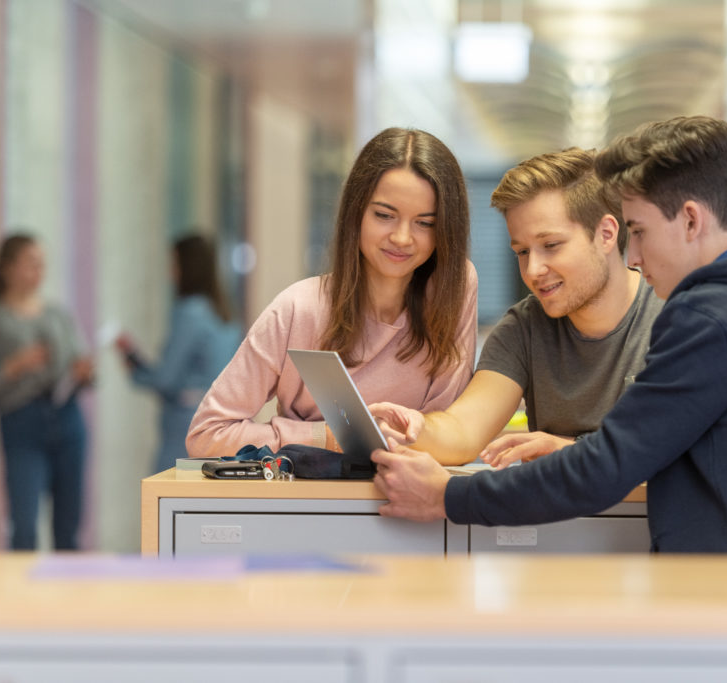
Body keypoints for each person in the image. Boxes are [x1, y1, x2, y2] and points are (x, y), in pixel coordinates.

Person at [371, 115, 727, 554]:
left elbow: (607, 467)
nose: (635, 255)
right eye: (522, 251)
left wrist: (449, 495)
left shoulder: (712, 317)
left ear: (690, 220)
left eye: (641, 231)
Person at [186, 127, 478, 459]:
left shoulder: (455, 287)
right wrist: (327, 437)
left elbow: (452, 430)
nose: (401, 237)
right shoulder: (299, 309)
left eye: (425, 223)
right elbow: (206, 435)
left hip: (414, 488)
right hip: (317, 491)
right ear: (356, 212)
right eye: (384, 215)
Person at [370, 147, 663, 466]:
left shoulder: (674, 316)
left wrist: (571, 452)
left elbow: (676, 452)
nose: (533, 270)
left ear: (606, 234)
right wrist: (412, 427)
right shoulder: (523, 328)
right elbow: (463, 431)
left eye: (551, 245)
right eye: (522, 252)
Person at [0, 232, 94, 551]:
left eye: (42, 264)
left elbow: (81, 363)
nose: (38, 271)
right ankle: (20, 583)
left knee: (68, 528)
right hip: (21, 421)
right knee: (24, 526)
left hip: (67, 417)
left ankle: (67, 583)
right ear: (7, 268)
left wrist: (84, 372)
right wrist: (15, 365)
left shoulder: (57, 314)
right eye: (31, 264)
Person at [115, 234, 242, 474]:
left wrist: (134, 365)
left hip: (186, 424)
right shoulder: (225, 314)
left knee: (163, 492)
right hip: (221, 426)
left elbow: (166, 379)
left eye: (173, 264)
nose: (170, 274)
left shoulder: (190, 312)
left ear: (188, 267)